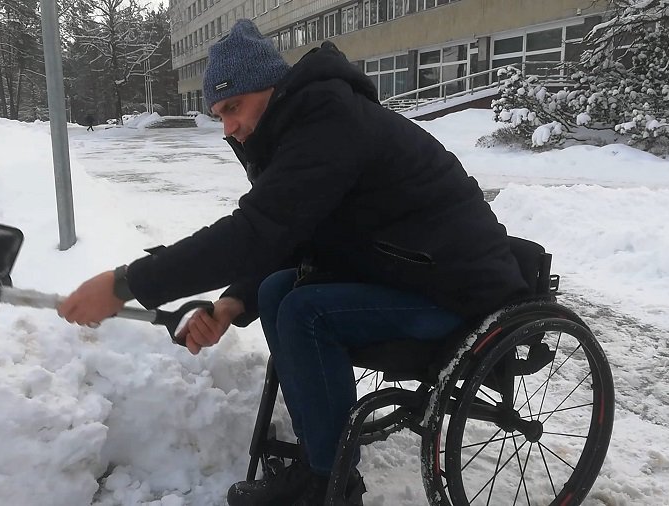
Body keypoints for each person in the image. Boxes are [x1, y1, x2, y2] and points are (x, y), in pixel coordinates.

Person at [58, 18, 529, 506]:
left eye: (234, 107)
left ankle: (329, 484)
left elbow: (256, 231)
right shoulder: (297, 130)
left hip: (455, 290)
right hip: (405, 273)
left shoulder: (329, 121)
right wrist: (232, 305)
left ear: (271, 87)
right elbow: (286, 234)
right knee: (276, 289)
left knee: (309, 310)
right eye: (219, 115)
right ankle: (321, 453)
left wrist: (125, 284)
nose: (229, 127)